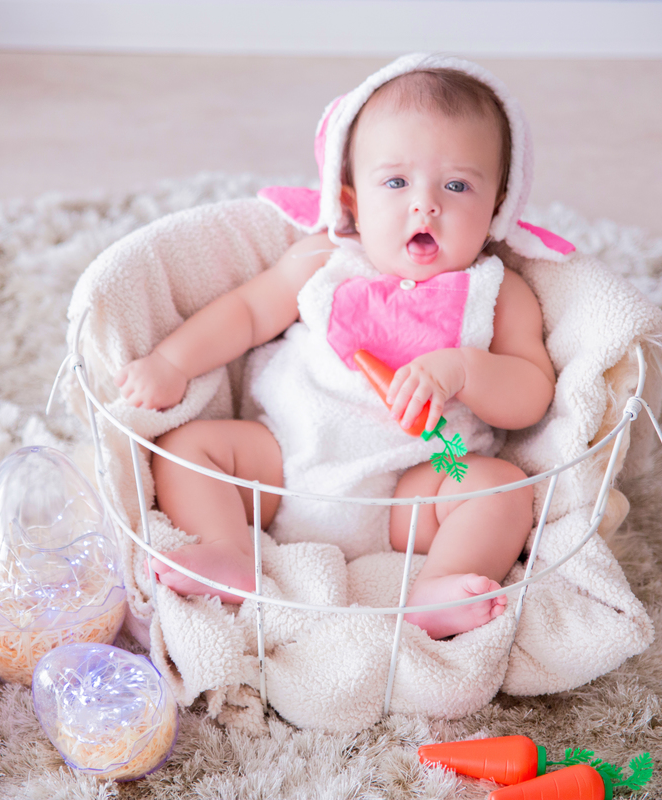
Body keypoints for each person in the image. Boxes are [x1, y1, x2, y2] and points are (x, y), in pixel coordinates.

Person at [115, 58, 555, 640]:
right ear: (351, 197)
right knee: (184, 446)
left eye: (456, 185)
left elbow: (531, 394)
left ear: (497, 203)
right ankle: (227, 551)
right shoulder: (324, 259)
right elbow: (247, 313)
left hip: (418, 478)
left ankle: (438, 587)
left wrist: (466, 369)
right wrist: (172, 363)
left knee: (502, 491)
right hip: (284, 458)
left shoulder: (496, 292)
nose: (425, 206)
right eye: (396, 183)